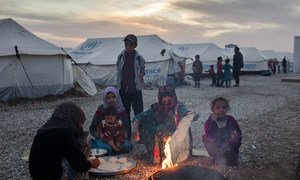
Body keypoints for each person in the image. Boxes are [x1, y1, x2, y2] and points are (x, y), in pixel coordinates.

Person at [29, 102, 100, 180]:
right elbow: (79, 164)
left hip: (35, 173)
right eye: (80, 122)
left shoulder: (49, 126)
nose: (81, 126)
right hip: (49, 175)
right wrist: (91, 163)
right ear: (74, 118)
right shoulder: (64, 132)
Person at [132, 86, 198, 164]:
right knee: (148, 126)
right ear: (160, 98)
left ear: (173, 97)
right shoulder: (156, 108)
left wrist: (192, 115)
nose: (166, 102)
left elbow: (185, 113)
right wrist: (135, 130)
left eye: (169, 100)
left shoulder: (178, 107)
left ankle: (173, 156)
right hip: (161, 134)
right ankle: (156, 154)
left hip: (175, 136)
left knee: (162, 128)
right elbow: (138, 117)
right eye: (164, 99)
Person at [116, 34, 145, 137]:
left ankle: (140, 134)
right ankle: (127, 134)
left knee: (139, 113)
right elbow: (118, 72)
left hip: (136, 89)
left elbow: (142, 70)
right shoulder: (120, 57)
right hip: (123, 90)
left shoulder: (139, 58)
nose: (128, 47)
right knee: (125, 113)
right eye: (126, 44)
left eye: (131, 45)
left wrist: (141, 75)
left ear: (135, 46)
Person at [89, 86, 132, 155]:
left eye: (113, 97)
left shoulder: (122, 110)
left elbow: (127, 127)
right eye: (108, 98)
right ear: (105, 99)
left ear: (117, 97)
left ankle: (114, 148)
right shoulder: (101, 110)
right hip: (105, 138)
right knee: (107, 150)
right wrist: (100, 135)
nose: (111, 99)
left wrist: (122, 135)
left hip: (118, 137)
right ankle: (97, 144)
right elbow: (92, 128)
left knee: (126, 146)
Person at [202, 97, 242, 167]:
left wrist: (235, 137)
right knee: (205, 138)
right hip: (217, 148)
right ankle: (217, 160)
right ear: (213, 109)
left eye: (224, 107)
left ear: (227, 109)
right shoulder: (209, 122)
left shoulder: (231, 119)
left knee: (231, 162)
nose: (221, 110)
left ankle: (232, 163)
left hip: (230, 147)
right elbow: (210, 136)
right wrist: (212, 121)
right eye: (217, 107)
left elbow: (238, 132)